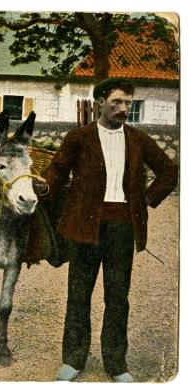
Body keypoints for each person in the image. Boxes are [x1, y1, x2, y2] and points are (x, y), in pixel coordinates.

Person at [37, 78, 178, 382]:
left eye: (128, 103)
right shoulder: (79, 137)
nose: (123, 108)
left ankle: (116, 364)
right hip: (83, 228)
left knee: (117, 297)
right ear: (101, 101)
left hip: (122, 229)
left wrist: (147, 199)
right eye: (117, 102)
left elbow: (170, 171)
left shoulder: (139, 140)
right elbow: (58, 171)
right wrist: (45, 186)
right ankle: (73, 361)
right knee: (78, 295)